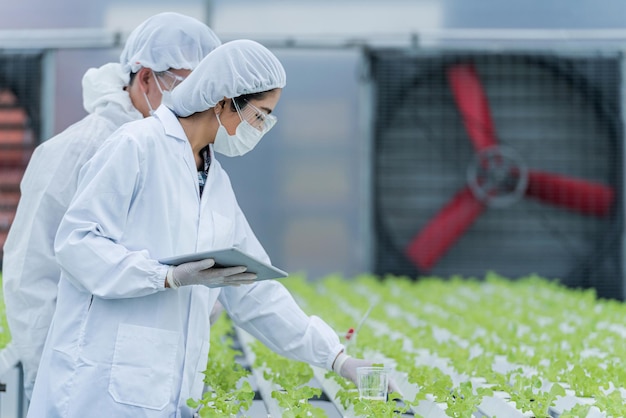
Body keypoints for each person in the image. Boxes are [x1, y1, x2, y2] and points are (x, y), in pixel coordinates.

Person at [27, 39, 394, 418]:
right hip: (97, 391)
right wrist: (163, 276)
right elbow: (76, 243)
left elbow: (255, 291)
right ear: (222, 102)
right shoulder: (136, 146)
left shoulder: (214, 181)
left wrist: (337, 359)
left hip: (163, 389)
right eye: (260, 114)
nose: (262, 127)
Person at [1, 12, 221, 399]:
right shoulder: (77, 150)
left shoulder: (184, 155)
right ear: (145, 77)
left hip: (149, 375)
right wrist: (50, 378)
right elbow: (29, 275)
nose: (195, 101)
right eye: (185, 85)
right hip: (79, 379)